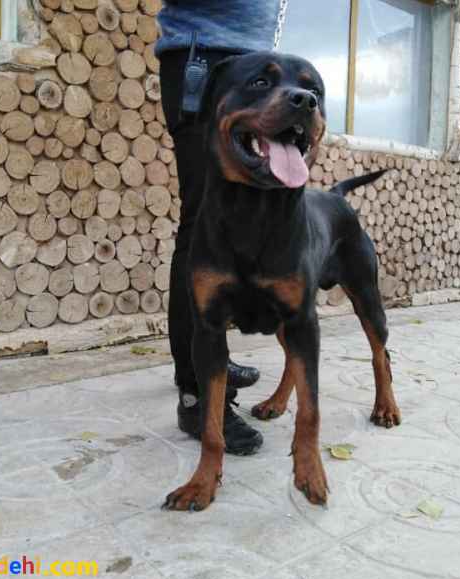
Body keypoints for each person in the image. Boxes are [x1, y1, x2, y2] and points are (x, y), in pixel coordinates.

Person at [156, 1, 286, 455]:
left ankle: (210, 359)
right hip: (206, 65)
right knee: (204, 229)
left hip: (249, 70)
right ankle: (197, 395)